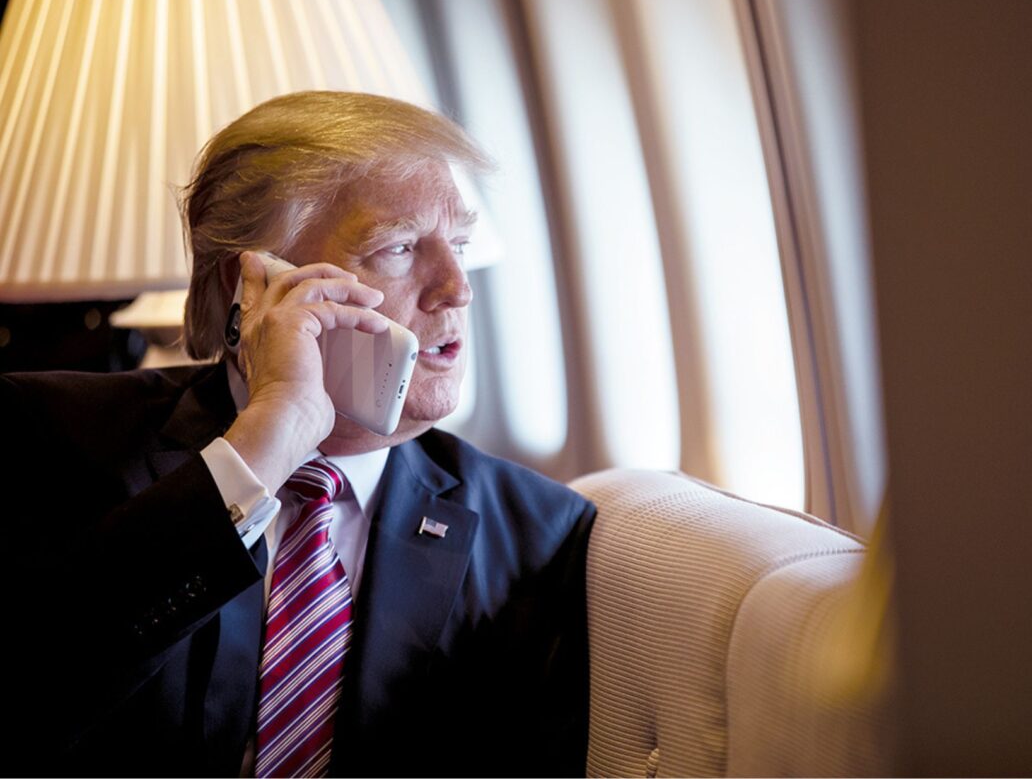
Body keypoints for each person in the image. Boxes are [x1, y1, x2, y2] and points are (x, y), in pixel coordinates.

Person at [4, 91, 595, 777]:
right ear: (252, 285)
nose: (457, 287)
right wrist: (270, 435)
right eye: (400, 247)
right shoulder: (50, 433)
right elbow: (28, 700)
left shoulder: (538, 531)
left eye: (459, 244)